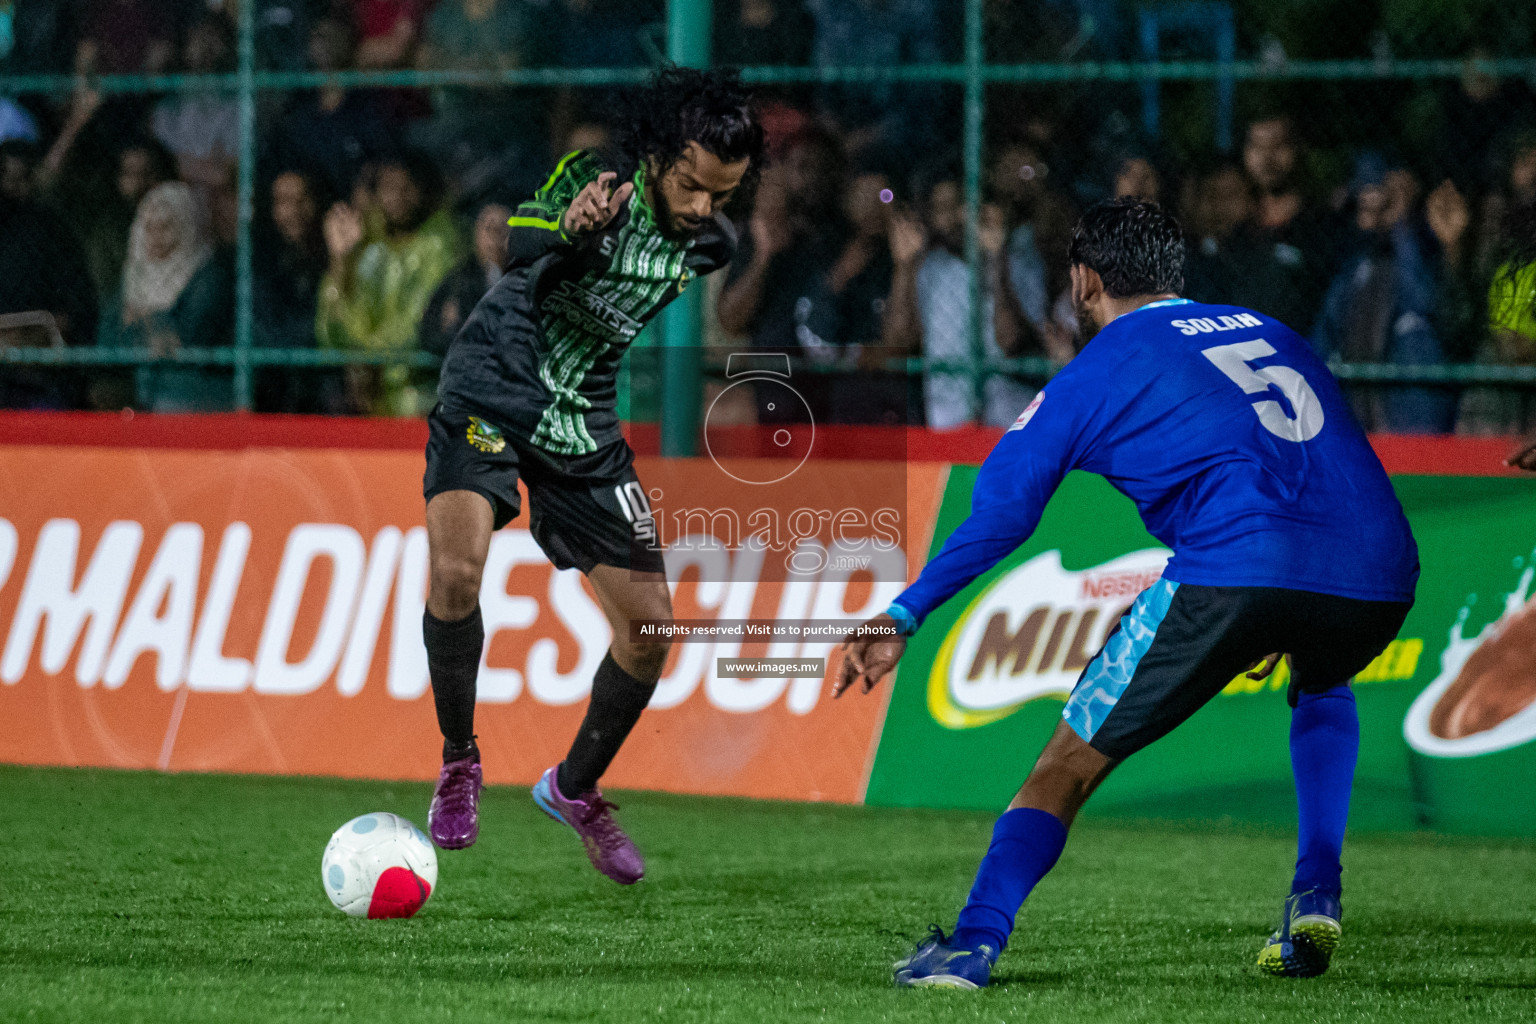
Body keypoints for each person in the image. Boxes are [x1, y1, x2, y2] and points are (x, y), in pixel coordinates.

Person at [838, 199, 1418, 988]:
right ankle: (1317, 887)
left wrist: (905, 610)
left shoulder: (1098, 368)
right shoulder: (1269, 328)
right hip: (1380, 571)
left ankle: (973, 945)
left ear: (1084, 282)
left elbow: (1003, 515)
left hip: (1238, 563)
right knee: (1322, 676)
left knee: (1065, 765)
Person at [420, 66, 763, 883]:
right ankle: (460, 759)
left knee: (651, 634)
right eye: (688, 185)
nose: (700, 208)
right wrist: (571, 229)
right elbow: (520, 242)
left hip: (582, 422)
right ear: (653, 157)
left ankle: (574, 789)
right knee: (459, 572)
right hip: (492, 386)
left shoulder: (713, 244)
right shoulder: (594, 182)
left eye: (721, 193)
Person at [883, 173, 1037, 429]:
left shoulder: (1018, 261)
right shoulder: (929, 268)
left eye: (959, 204)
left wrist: (998, 258)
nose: (953, 216)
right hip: (946, 417)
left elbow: (1011, 341)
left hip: (1011, 416)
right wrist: (904, 268)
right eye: (941, 209)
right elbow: (896, 343)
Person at [316, 150, 458, 416]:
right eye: (388, 187)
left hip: (423, 397)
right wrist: (341, 263)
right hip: (367, 400)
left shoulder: (440, 246)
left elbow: (420, 322)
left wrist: (370, 359)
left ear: (424, 190)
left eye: (407, 186)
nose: (397, 196)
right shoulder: (372, 250)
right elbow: (329, 336)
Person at [102, 181, 234, 412]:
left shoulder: (206, 275)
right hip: (141, 386)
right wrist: (156, 327)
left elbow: (188, 338)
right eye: (149, 228)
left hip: (191, 391)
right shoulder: (135, 274)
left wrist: (142, 320)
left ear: (186, 227)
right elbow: (108, 337)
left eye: (166, 228)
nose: (155, 238)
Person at [253, 169, 333, 411]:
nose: (295, 211)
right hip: (273, 393)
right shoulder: (259, 261)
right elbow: (269, 332)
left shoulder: (333, 256)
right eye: (284, 201)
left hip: (323, 391)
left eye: (303, 199)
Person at [420, 201, 511, 355]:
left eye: (503, 230)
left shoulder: (526, 277)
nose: (495, 237)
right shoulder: (458, 280)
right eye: (489, 229)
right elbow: (428, 333)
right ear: (477, 235)